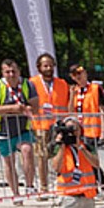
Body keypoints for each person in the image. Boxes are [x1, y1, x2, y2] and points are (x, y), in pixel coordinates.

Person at [0, 59, 38, 195]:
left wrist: (27, 108)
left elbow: (36, 106)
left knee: (27, 151)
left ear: (19, 71)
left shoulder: (28, 85)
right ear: (3, 73)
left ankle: (30, 185)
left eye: (13, 71)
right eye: (7, 72)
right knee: (9, 162)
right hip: (3, 130)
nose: (11, 74)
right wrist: (13, 108)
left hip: (23, 128)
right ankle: (16, 194)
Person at [29, 54, 71, 194]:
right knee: (42, 157)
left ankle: (62, 185)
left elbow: (67, 104)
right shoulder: (32, 83)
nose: (48, 68)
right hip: (40, 125)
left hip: (58, 125)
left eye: (50, 65)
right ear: (39, 67)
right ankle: (44, 187)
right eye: (45, 65)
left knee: (61, 155)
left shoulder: (62, 84)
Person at [68, 64, 104, 191]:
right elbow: (70, 111)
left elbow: (102, 110)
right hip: (79, 131)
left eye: (81, 73)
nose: (79, 76)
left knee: (92, 159)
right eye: (76, 74)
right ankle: (94, 187)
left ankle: (103, 186)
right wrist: (70, 95)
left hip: (93, 131)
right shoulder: (74, 91)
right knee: (83, 160)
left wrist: (103, 131)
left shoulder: (95, 88)